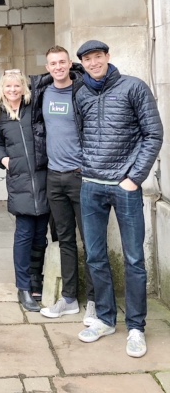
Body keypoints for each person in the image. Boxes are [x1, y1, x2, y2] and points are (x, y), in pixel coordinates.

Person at [74, 40, 163, 358]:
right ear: (83, 63)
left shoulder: (133, 87)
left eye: (98, 56)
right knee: (95, 256)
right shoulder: (81, 93)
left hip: (125, 187)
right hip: (91, 186)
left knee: (134, 259)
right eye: (87, 59)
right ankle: (106, 319)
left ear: (108, 57)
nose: (93, 63)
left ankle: (136, 327)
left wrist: (134, 178)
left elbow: (153, 133)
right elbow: (80, 133)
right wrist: (85, 167)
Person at [31, 46, 96, 325]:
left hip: (81, 176)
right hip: (54, 176)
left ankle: (95, 301)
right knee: (65, 239)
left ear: (70, 64)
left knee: (92, 241)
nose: (57, 67)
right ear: (47, 67)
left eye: (61, 62)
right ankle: (69, 299)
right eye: (52, 63)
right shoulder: (42, 94)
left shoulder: (83, 91)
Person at [0, 69, 49, 312]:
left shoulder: (33, 108)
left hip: (43, 178)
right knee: (24, 235)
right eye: (8, 86)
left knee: (40, 236)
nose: (13, 90)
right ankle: (24, 287)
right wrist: (4, 159)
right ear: (2, 90)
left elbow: (47, 80)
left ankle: (37, 279)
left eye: (17, 85)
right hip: (19, 181)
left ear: (24, 88)